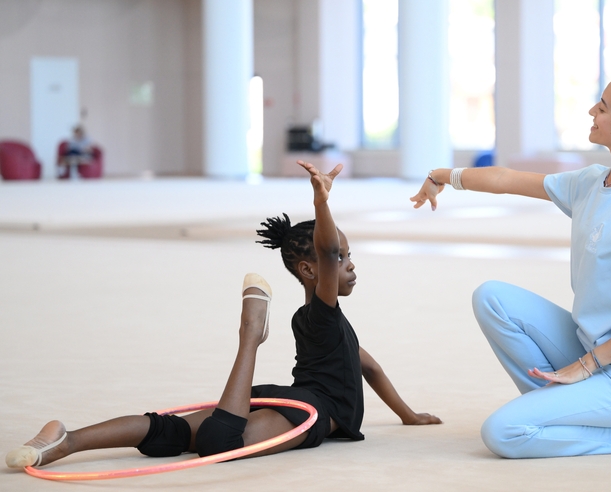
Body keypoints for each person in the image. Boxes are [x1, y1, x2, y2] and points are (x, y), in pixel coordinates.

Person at [6, 160, 440, 470]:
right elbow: (326, 253)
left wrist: (408, 415)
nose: (348, 264)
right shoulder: (322, 312)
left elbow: (368, 365)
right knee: (221, 443)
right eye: (342, 257)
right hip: (309, 408)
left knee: (173, 430)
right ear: (309, 271)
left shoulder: (322, 322)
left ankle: (67, 439)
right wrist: (321, 203)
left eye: (349, 256)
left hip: (282, 396)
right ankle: (250, 335)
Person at [411, 73, 611, 458]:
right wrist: (442, 176)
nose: (593, 110)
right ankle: (579, 410)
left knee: (503, 433)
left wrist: (588, 365)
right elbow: (506, 179)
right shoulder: (592, 181)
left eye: (603, 107)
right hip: (587, 343)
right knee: (491, 297)